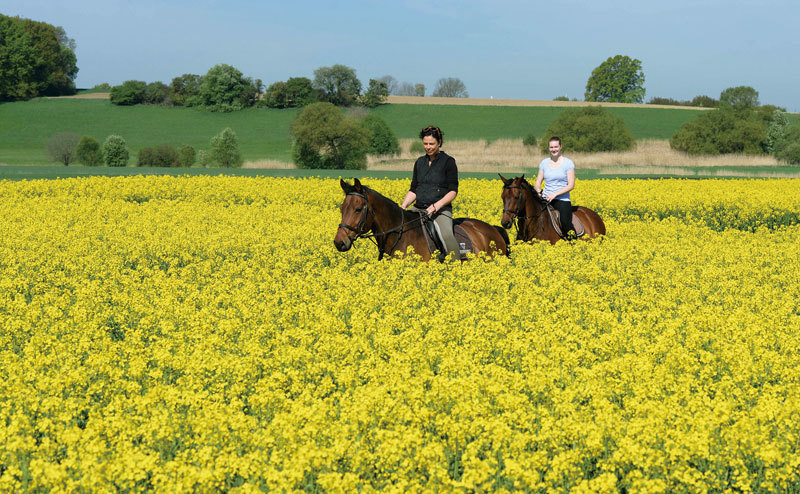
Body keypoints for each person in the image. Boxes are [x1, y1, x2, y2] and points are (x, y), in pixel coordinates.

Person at [400, 126, 460, 260]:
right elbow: (414, 189)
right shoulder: (419, 162)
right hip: (418, 207)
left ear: (439, 142)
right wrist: (403, 206)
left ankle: (456, 263)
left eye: (431, 144)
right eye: (425, 144)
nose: (428, 147)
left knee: (446, 235)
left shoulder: (448, 162)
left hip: (440, 210)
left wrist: (435, 207)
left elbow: (452, 191)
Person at [535, 136, 576, 240]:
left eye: (556, 147)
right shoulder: (544, 163)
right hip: (545, 199)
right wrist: (538, 190)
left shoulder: (568, 163)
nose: (554, 149)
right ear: (549, 148)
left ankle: (574, 243)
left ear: (560, 147)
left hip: (562, 200)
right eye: (551, 147)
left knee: (565, 223)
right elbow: (538, 181)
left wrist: (555, 194)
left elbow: (571, 185)